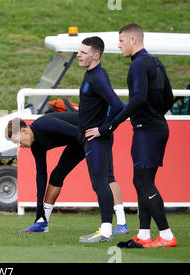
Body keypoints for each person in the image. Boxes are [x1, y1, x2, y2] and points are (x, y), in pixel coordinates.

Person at [90, 24, 176, 248]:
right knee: (141, 182)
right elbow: (170, 97)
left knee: (143, 181)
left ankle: (166, 235)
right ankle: (144, 235)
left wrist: (112, 124)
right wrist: (155, 113)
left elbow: (138, 98)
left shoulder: (138, 65)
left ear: (133, 40)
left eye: (120, 41)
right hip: (157, 127)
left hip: (147, 131)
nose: (118, 46)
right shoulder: (156, 62)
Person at [6, 112, 129, 234]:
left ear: (24, 131)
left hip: (95, 133)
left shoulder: (44, 124)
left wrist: (92, 154)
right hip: (79, 140)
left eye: (17, 141)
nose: (19, 145)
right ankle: (42, 223)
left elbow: (78, 132)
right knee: (56, 177)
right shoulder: (36, 146)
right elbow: (41, 175)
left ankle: (122, 224)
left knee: (107, 178)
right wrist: (39, 212)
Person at [76, 36, 124, 243]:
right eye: (79, 51)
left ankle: (105, 232)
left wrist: (103, 129)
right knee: (102, 182)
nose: (79, 54)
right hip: (92, 139)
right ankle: (107, 228)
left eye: (84, 52)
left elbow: (118, 105)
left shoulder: (97, 77)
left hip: (97, 140)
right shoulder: (93, 74)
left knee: (100, 184)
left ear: (96, 56)